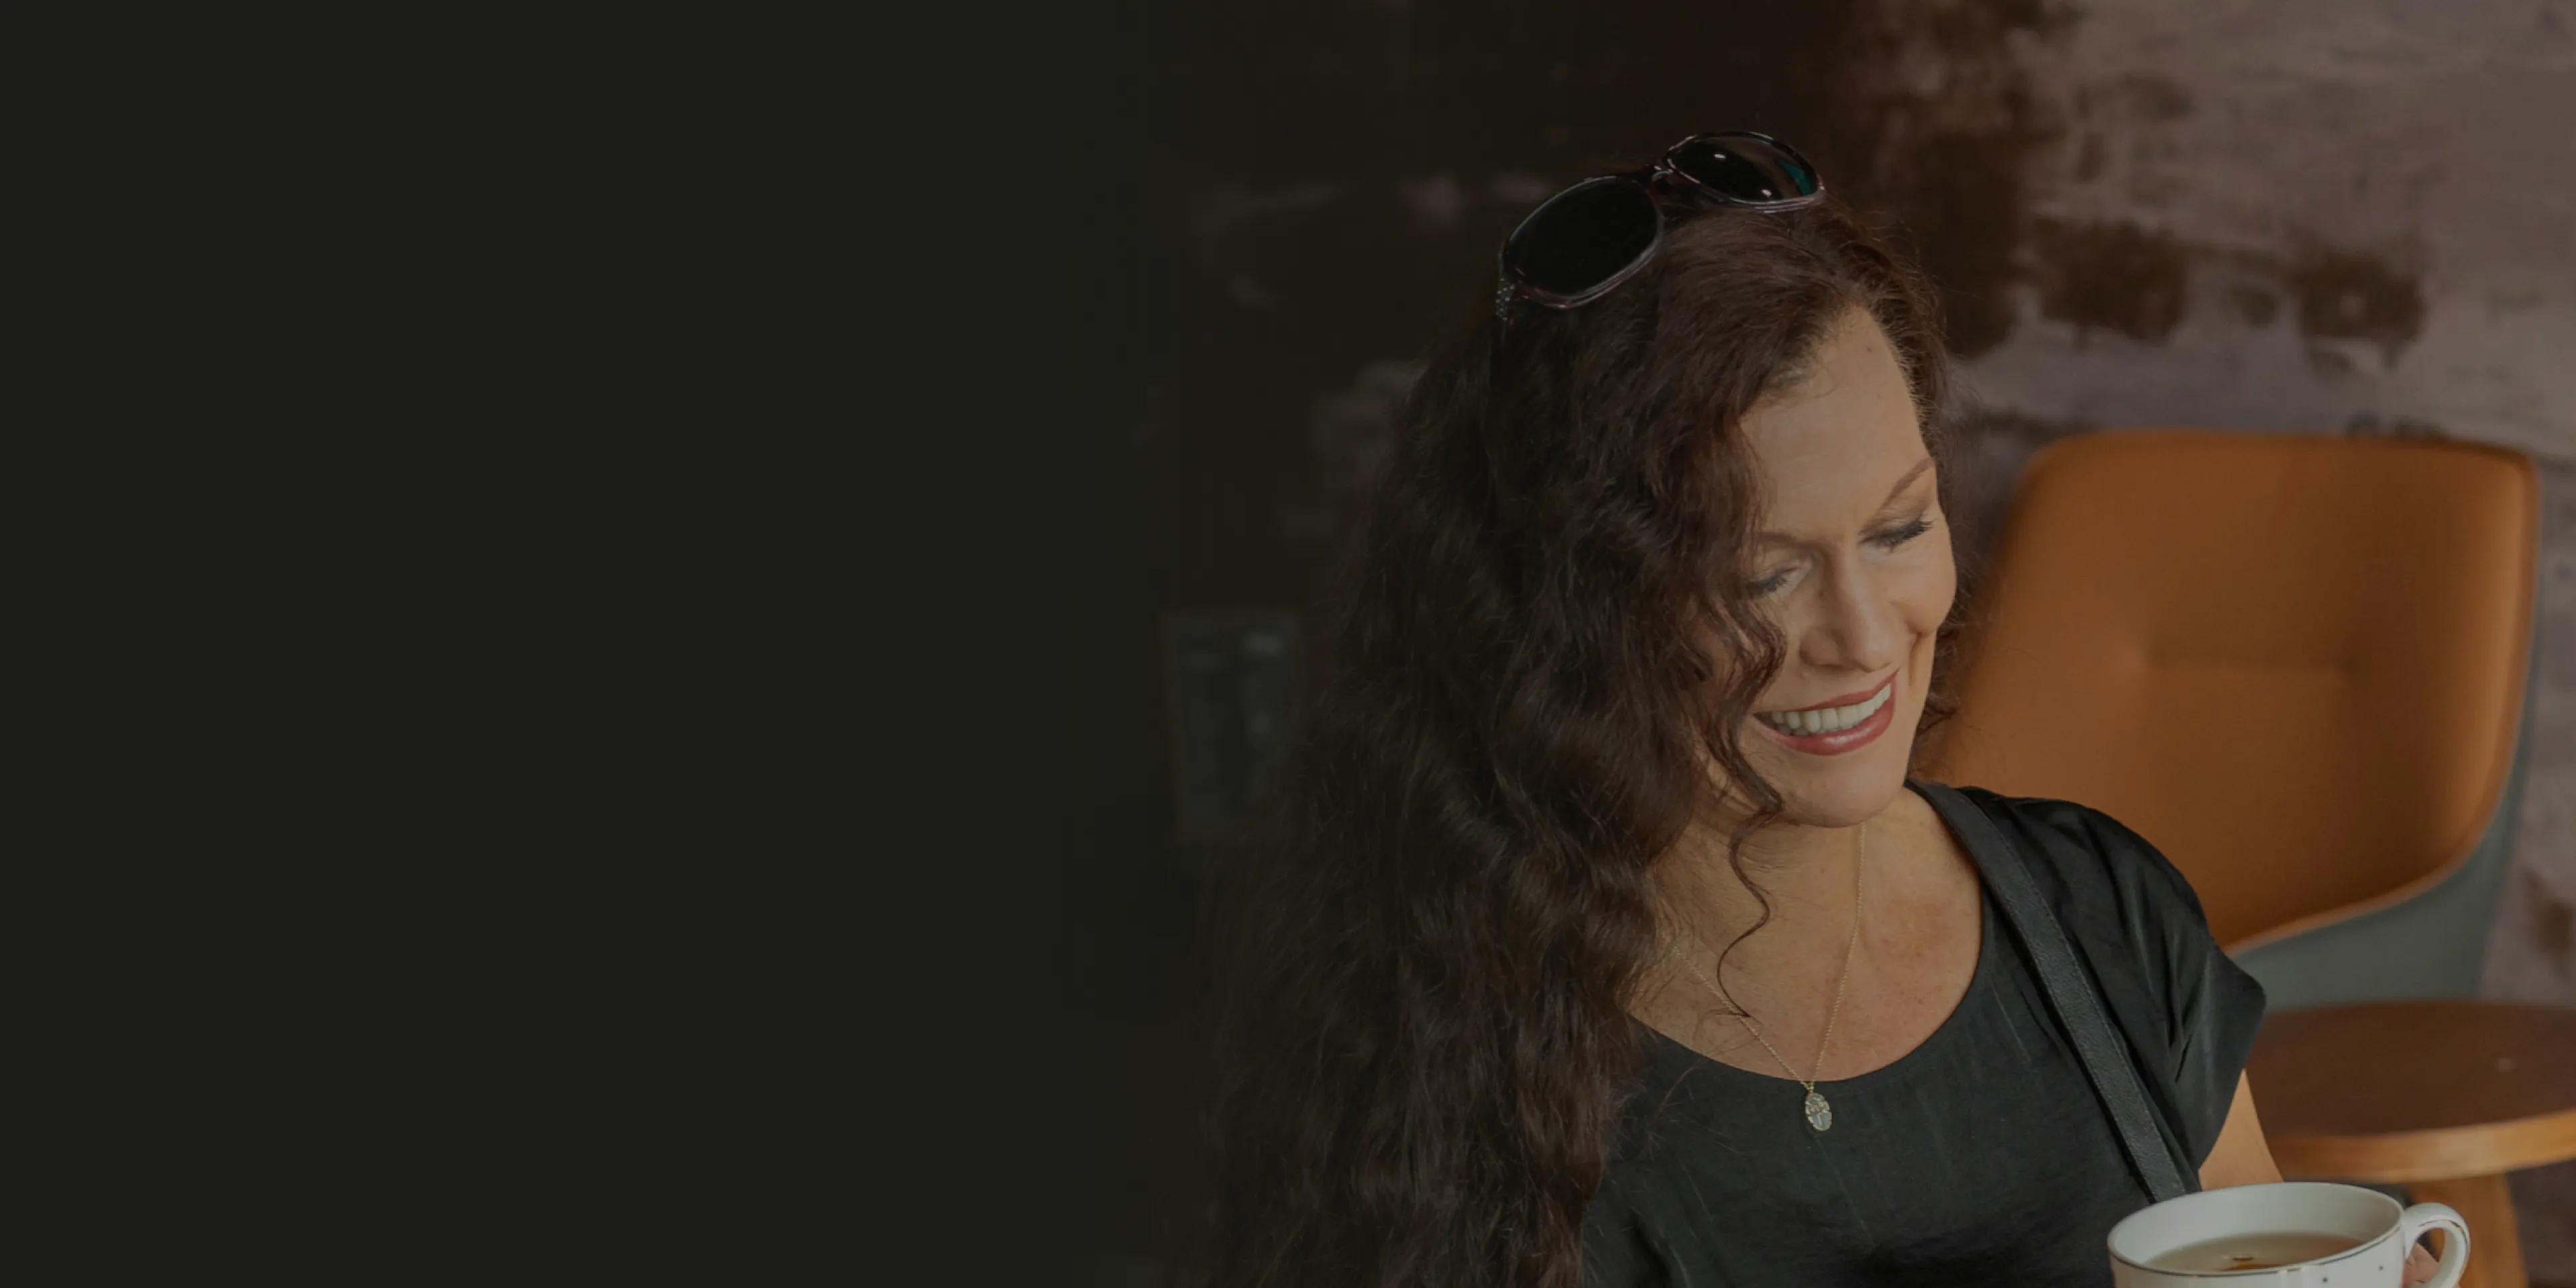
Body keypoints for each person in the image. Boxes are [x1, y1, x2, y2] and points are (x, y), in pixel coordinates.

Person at [1192, 133, 2434, 1287]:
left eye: (1898, 528)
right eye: (1761, 575)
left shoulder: (2105, 918)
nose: (1861, 634)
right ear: (1568, 604)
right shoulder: (1429, 1049)